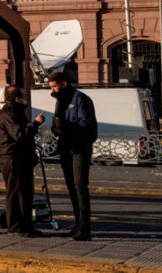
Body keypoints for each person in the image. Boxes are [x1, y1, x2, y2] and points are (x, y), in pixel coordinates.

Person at [49, 71, 97, 241]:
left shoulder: (80, 99)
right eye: (51, 87)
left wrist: (64, 128)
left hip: (80, 148)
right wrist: (55, 129)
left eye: (55, 86)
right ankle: (78, 224)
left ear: (63, 83)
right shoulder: (60, 101)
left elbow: (85, 125)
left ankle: (85, 228)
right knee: (71, 187)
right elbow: (58, 124)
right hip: (65, 147)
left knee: (80, 187)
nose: (53, 89)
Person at [0, 85, 44, 237]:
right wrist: (35, 123)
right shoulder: (9, 114)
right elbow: (20, 134)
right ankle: (15, 226)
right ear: (17, 98)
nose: (26, 99)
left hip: (21, 158)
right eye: (24, 96)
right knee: (15, 193)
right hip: (12, 158)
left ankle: (26, 225)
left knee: (25, 193)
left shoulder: (16, 112)